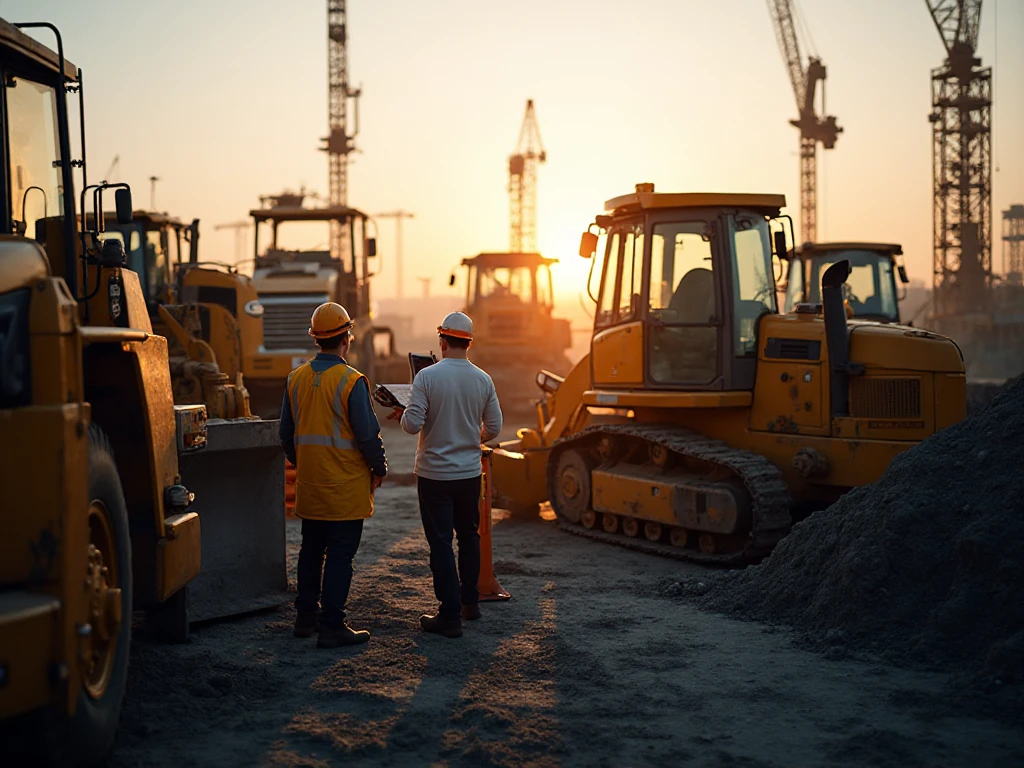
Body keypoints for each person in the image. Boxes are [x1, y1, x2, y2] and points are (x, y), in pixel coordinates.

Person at [280, 302, 387, 648]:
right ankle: (332, 626)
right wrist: (379, 467)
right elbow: (368, 435)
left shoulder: (295, 379)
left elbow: (286, 433)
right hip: (345, 488)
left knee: (311, 551)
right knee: (341, 555)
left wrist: (304, 463)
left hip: (311, 485)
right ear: (347, 338)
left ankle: (305, 619)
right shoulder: (351, 381)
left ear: (316, 339)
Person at [397, 311, 502, 638]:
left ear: (442, 340)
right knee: (469, 537)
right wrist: (472, 437)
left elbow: (412, 425)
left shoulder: (426, 378)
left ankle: (449, 615)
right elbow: (495, 428)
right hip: (468, 474)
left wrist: (405, 411)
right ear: (468, 343)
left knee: (441, 543)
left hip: (434, 476)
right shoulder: (483, 379)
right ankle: (470, 604)